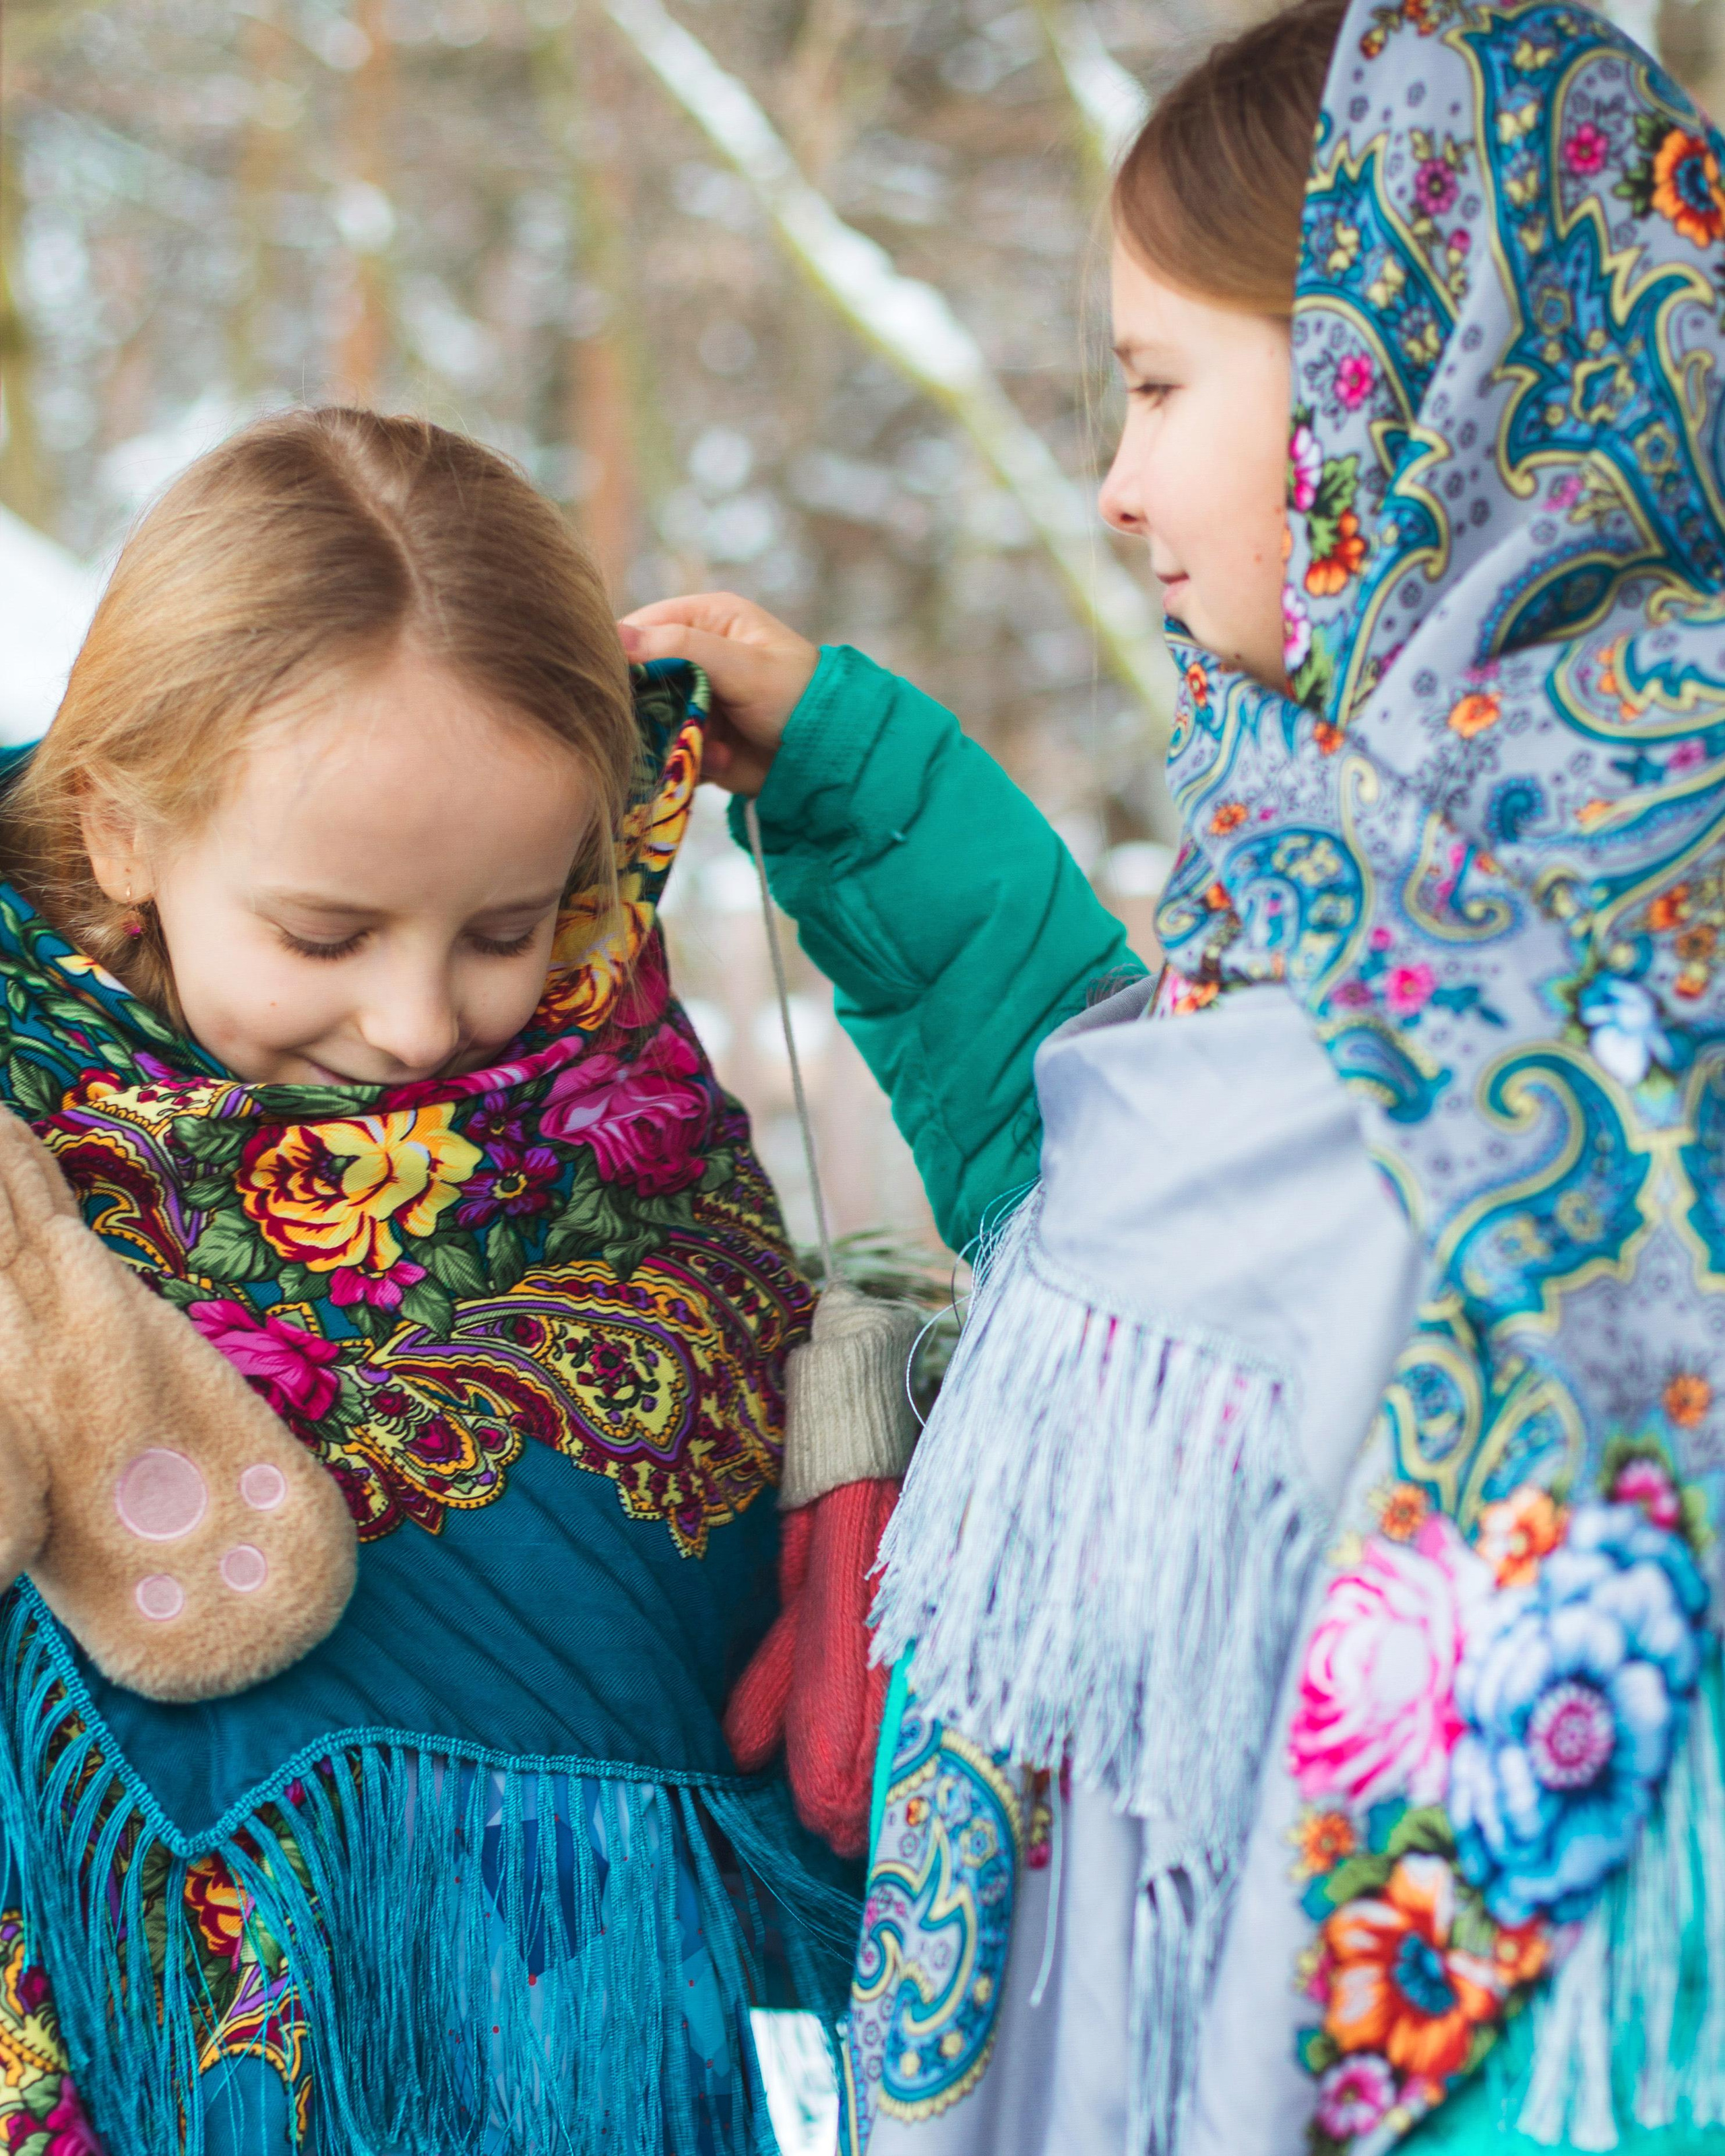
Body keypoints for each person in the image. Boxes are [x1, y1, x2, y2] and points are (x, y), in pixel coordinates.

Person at [622, 0, 1725, 2147]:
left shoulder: (1632, 913)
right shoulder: (1309, 850)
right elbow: (1107, 1199)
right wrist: (844, 769)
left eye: (1155, 385)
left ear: (1404, 371)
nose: (1118, 483)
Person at [0, 406, 856, 2156]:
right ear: (121, 836)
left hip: (576, 2052)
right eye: (325, 936)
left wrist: (872, 774)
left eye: (500, 928)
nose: (412, 1021)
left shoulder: (627, 1140)